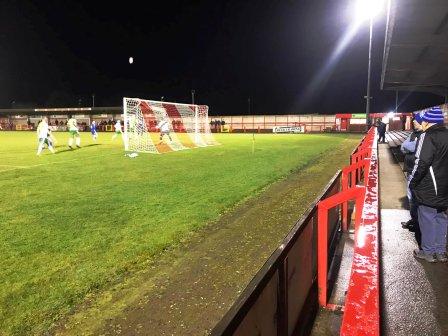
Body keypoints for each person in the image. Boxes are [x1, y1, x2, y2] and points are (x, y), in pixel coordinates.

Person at [409, 106, 448, 263]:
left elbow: (421, 162)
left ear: (428, 122)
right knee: (441, 217)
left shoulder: (428, 136)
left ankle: (428, 251)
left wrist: (413, 181)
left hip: (430, 186)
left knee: (427, 217)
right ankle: (441, 251)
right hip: (445, 187)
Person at [400, 113, 423, 246]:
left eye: (416, 122)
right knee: (410, 198)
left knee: (415, 198)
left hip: (417, 171)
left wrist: (411, 146)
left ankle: (417, 223)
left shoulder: (423, 136)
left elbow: (413, 147)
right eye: (413, 122)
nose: (414, 124)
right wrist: (411, 146)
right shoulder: (414, 134)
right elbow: (403, 147)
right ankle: (414, 220)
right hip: (409, 169)